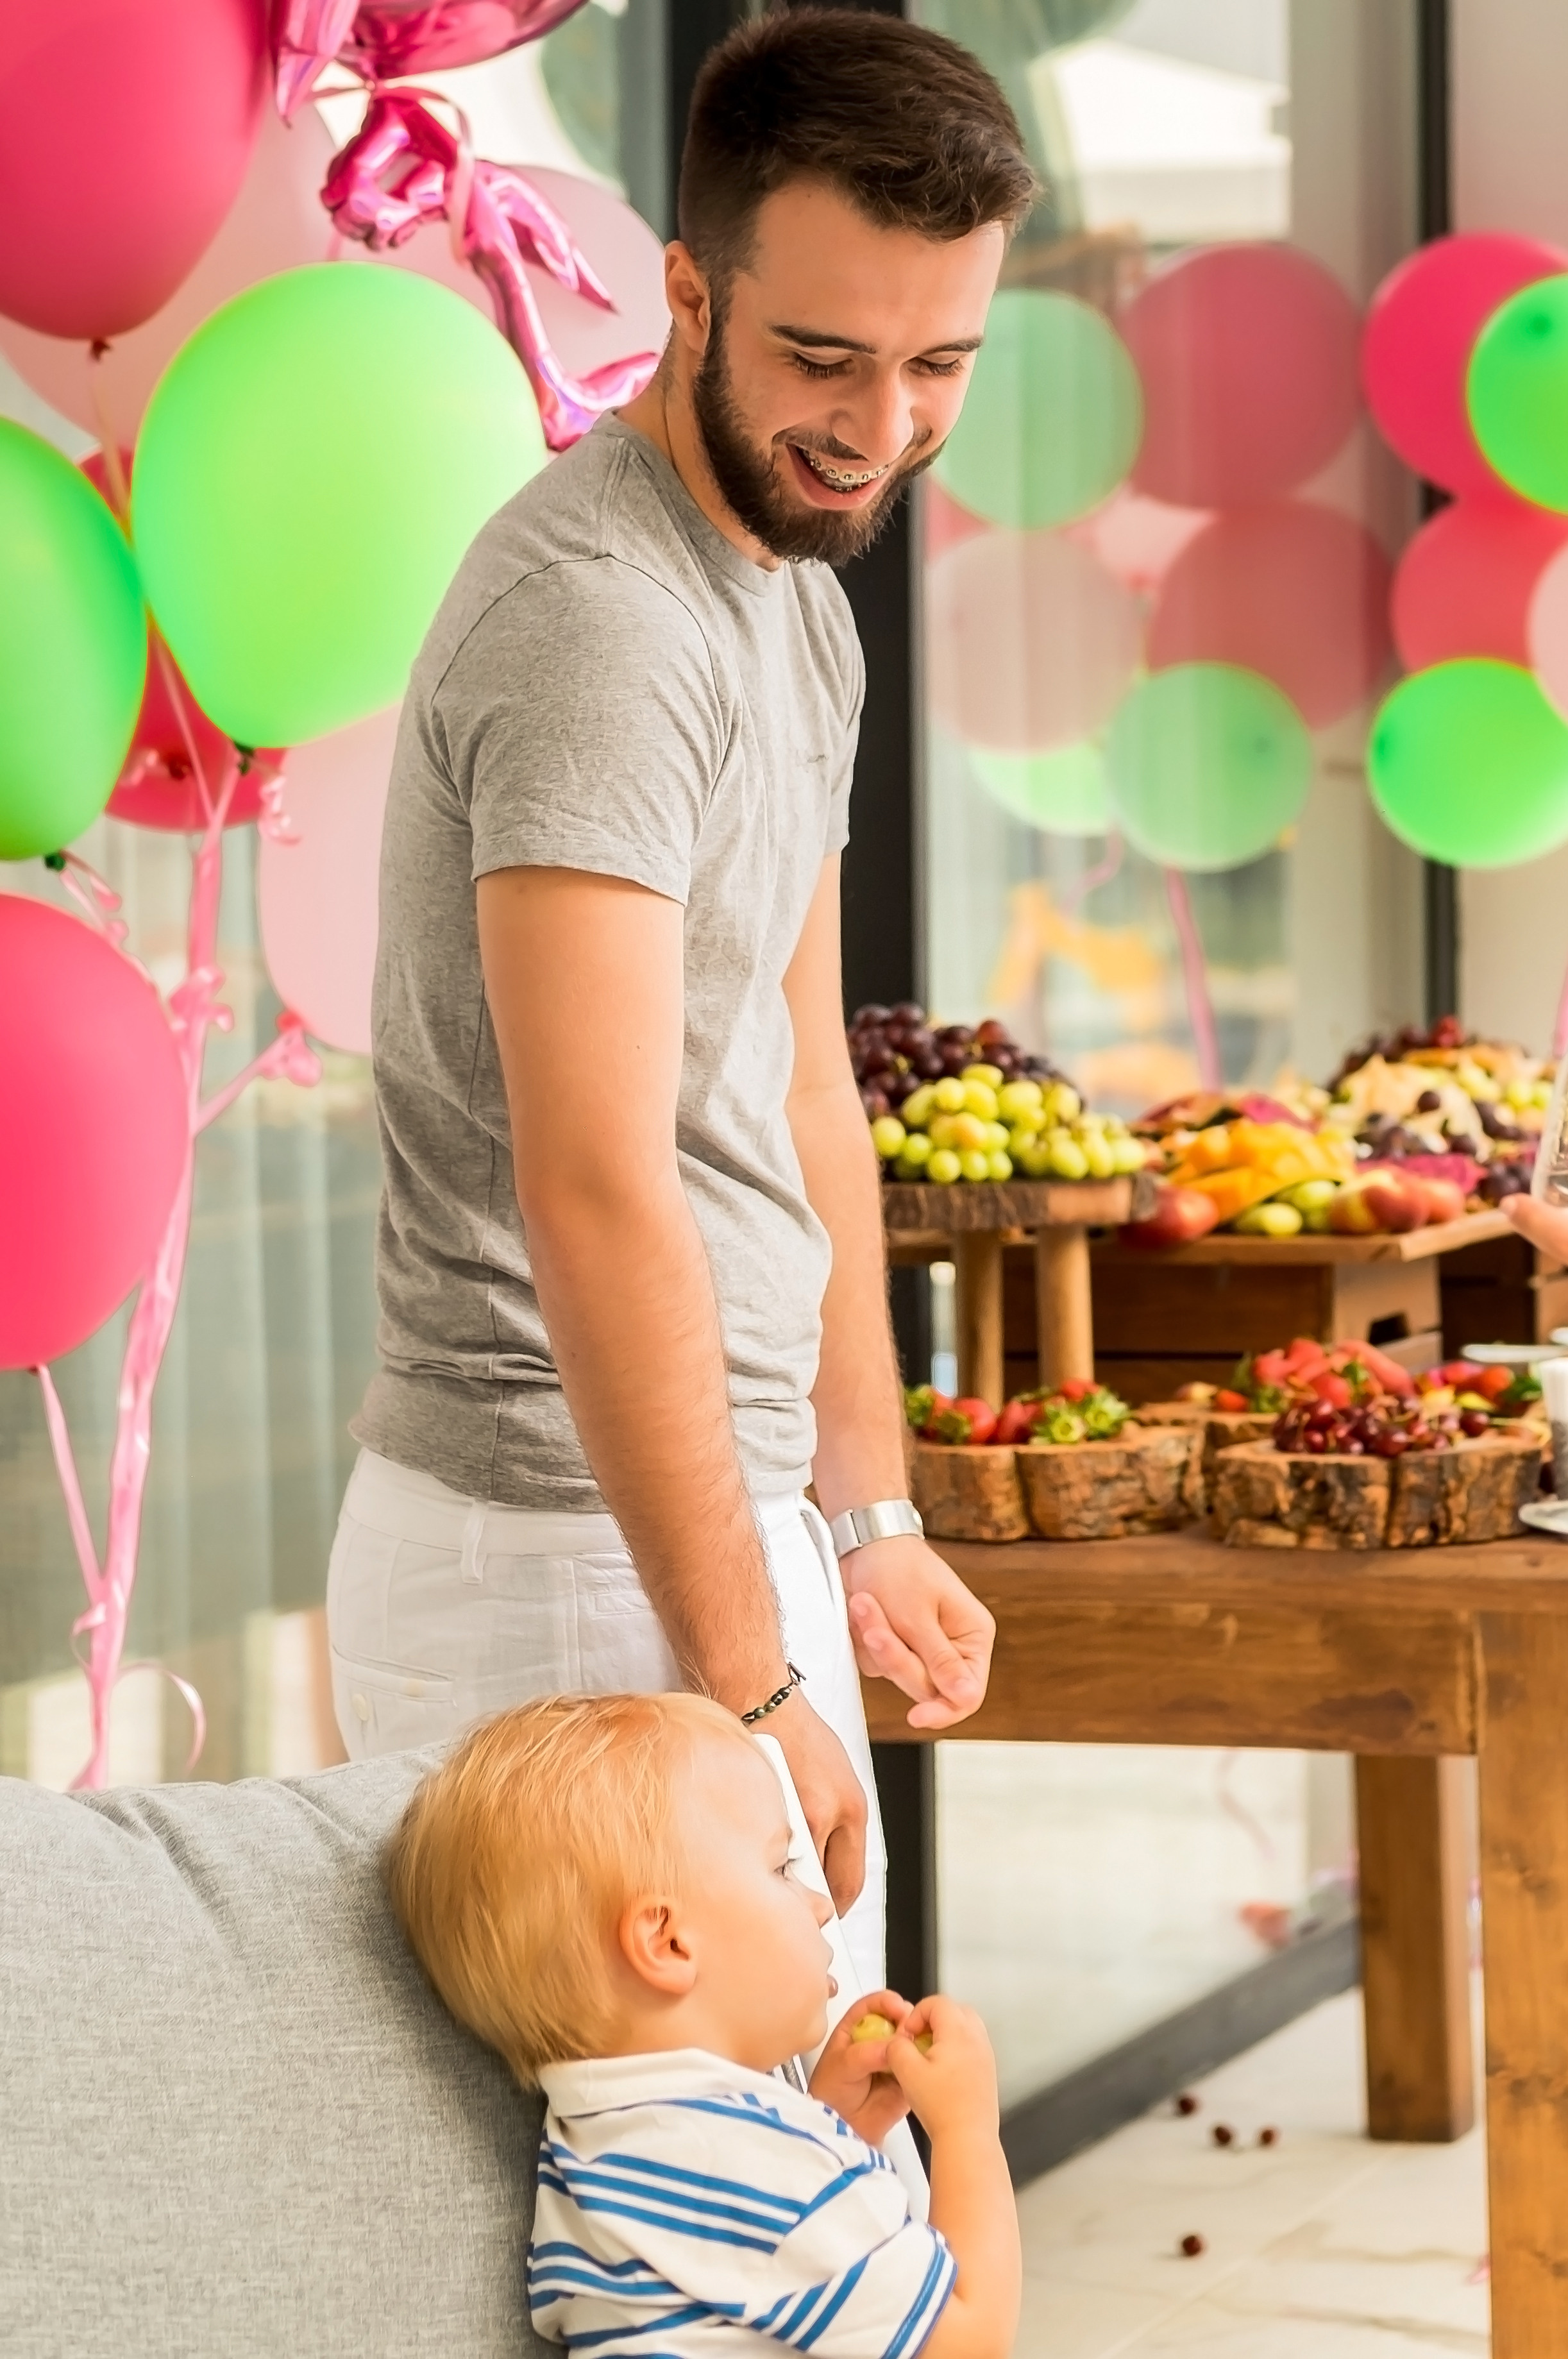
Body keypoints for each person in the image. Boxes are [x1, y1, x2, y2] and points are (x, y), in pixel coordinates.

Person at [327, 6, 1036, 1999]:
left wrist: (870, 1508)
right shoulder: (600, 631)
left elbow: (797, 1086)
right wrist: (745, 1676)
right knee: (601, 2269)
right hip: (553, 1551)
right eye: (822, 356)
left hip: (714, 1530)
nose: (879, 425)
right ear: (685, 289)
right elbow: (597, 1178)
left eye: (936, 366)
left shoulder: (791, 598)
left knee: (792, 2215)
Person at [387, 1691, 1020, 2359]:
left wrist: (829, 2122)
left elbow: (744, 2277)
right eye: (780, 1868)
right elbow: (968, 2340)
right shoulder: (753, 2162)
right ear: (668, 1943)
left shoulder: (601, 2148)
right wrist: (966, 2129)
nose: (815, 1903)